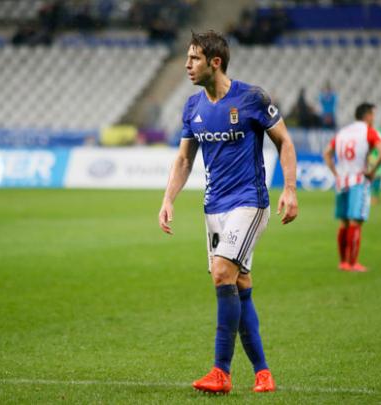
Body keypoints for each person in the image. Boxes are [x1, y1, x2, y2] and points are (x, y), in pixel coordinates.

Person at [158, 31, 298, 394]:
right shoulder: (192, 107)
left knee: (221, 273)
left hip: (249, 201)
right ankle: (263, 373)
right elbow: (184, 158)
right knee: (238, 285)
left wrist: (290, 190)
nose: (187, 65)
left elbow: (284, 141)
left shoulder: (251, 98)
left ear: (214, 62)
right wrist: (168, 199)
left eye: (194, 59)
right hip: (214, 207)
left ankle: (220, 372)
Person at [323, 103, 381, 272]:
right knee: (355, 221)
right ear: (367, 116)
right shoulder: (368, 131)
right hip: (358, 180)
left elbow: (326, 152)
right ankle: (353, 263)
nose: (374, 119)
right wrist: (372, 170)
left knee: (343, 222)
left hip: (342, 181)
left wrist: (335, 173)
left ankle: (343, 262)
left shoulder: (343, 132)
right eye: (373, 115)